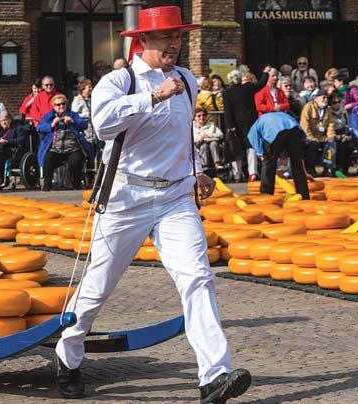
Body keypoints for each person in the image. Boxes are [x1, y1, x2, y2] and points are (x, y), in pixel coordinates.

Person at [54, 6, 251, 403]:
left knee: (197, 276)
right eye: (166, 38)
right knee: (97, 286)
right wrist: (152, 96)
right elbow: (103, 126)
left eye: (178, 37)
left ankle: (215, 375)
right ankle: (68, 353)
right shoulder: (119, 80)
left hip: (175, 196)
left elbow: (181, 136)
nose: (174, 45)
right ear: (143, 41)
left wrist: (195, 170)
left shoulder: (187, 79)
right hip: (128, 197)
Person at [248, 112, 310, 199]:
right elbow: (301, 136)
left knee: (268, 165)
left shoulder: (256, 125)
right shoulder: (280, 115)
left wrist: (260, 153)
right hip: (294, 130)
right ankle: (304, 195)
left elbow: (252, 137)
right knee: (297, 164)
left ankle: (266, 195)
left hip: (273, 131)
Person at [223, 66, 269, 182]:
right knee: (250, 146)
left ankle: (237, 175)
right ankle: (252, 172)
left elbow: (227, 110)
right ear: (239, 79)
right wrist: (265, 73)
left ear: (229, 80)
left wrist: (229, 125)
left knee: (236, 149)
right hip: (250, 121)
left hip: (235, 123)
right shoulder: (248, 87)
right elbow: (261, 84)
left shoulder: (227, 92)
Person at [36, 94, 90, 191]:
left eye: (63, 104)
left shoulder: (72, 114)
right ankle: (47, 185)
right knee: (48, 159)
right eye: (58, 104)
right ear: (54, 106)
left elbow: (84, 124)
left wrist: (73, 121)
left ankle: (77, 184)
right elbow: (39, 128)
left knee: (76, 161)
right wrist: (52, 124)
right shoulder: (49, 116)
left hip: (72, 148)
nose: (61, 106)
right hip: (55, 149)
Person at [0, 110, 27, 187]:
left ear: (10, 120)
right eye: (1, 121)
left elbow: (21, 139)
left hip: (11, 150)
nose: (4, 122)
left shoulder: (17, 128)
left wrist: (7, 141)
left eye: (5, 120)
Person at [300, 89, 335, 176]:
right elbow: (304, 124)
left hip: (322, 136)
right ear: (316, 98)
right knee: (313, 144)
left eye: (326, 98)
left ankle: (327, 168)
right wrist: (311, 137)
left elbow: (331, 124)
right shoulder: (308, 107)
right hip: (309, 136)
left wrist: (330, 136)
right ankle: (310, 169)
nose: (325, 99)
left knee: (331, 144)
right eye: (323, 97)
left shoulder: (328, 109)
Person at [328, 92, 353, 174]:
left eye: (339, 102)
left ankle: (344, 168)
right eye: (334, 102)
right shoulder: (328, 113)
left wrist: (347, 135)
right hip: (333, 134)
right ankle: (336, 168)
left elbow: (348, 125)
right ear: (330, 104)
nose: (337, 104)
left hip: (344, 133)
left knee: (348, 144)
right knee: (337, 145)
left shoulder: (344, 112)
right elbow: (328, 127)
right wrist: (336, 136)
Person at [71, 79, 94, 144]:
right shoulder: (77, 100)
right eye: (89, 87)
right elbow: (74, 116)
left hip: (92, 133)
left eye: (91, 87)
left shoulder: (90, 100)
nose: (91, 89)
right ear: (83, 89)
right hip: (84, 133)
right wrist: (87, 114)